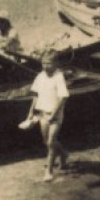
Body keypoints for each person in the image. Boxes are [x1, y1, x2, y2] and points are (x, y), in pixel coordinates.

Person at [23, 50, 70, 181]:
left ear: (56, 63)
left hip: (55, 115)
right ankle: (64, 154)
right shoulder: (40, 76)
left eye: (49, 63)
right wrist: (30, 113)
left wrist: (54, 114)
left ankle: (48, 171)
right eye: (43, 63)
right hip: (43, 113)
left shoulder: (59, 77)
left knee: (51, 142)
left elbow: (63, 97)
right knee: (47, 142)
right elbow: (35, 95)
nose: (45, 66)